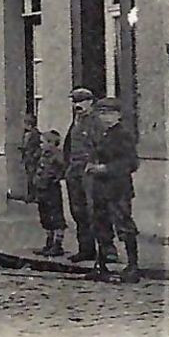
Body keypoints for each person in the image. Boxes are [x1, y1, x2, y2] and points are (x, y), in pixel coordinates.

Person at [86, 98, 142, 284]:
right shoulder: (103, 134)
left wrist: (106, 169)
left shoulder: (123, 135)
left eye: (109, 113)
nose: (105, 117)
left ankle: (133, 267)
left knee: (124, 226)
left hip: (118, 189)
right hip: (100, 188)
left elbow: (131, 163)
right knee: (100, 225)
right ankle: (102, 266)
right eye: (102, 113)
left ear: (118, 115)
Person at [63, 88, 104, 264]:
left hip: (89, 171)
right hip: (74, 170)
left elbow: (101, 146)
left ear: (90, 102)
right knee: (78, 211)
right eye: (74, 101)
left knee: (94, 210)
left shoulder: (96, 122)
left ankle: (105, 250)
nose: (76, 105)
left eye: (80, 101)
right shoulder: (76, 121)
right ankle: (85, 249)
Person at [30, 129, 68, 258]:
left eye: (43, 142)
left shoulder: (57, 155)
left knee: (55, 215)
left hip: (51, 189)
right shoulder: (43, 154)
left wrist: (56, 178)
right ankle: (49, 242)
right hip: (42, 189)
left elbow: (63, 167)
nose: (40, 145)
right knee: (45, 215)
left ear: (51, 143)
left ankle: (57, 244)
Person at [18, 112, 42, 203]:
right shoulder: (29, 134)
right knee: (30, 177)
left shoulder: (33, 134)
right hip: (29, 158)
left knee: (32, 178)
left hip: (32, 159)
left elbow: (34, 146)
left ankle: (33, 195)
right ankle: (31, 195)